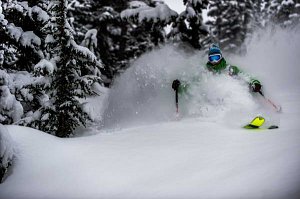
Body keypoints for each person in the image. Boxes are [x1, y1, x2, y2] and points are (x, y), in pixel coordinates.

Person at [172, 44, 262, 94]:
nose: (214, 61)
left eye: (216, 57)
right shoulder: (205, 72)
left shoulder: (230, 69)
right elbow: (191, 87)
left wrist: (255, 83)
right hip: (211, 104)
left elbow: (245, 76)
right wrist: (179, 87)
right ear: (208, 59)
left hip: (231, 99)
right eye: (212, 58)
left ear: (221, 57)